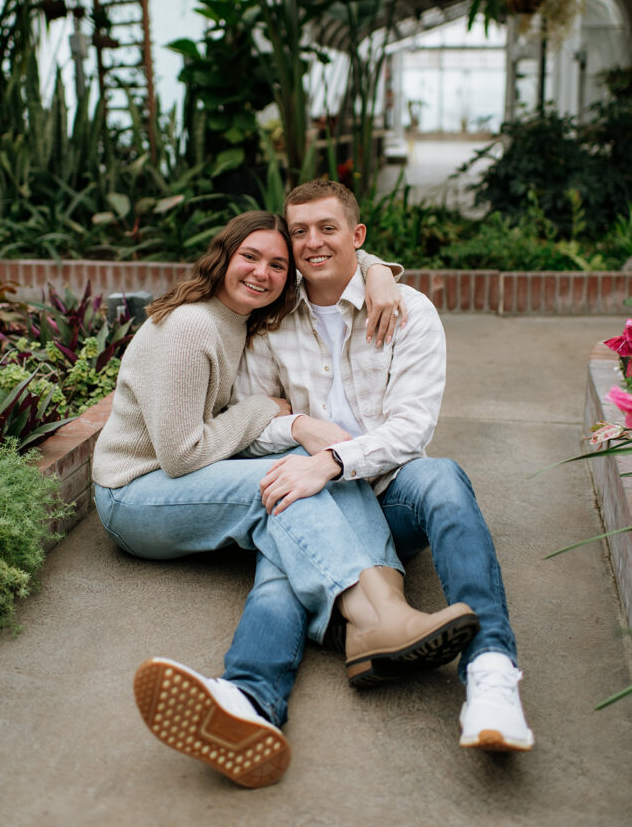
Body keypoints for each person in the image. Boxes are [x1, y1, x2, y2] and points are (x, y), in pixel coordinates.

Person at [151, 181, 534, 786]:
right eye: (298, 231)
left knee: (443, 477)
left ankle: (490, 672)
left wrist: (330, 458)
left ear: (357, 236)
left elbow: (412, 429)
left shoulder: (409, 310)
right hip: (319, 490)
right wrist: (300, 442)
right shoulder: (271, 322)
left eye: (327, 228)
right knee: (285, 552)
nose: (311, 242)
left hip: (390, 489)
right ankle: (248, 701)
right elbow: (260, 421)